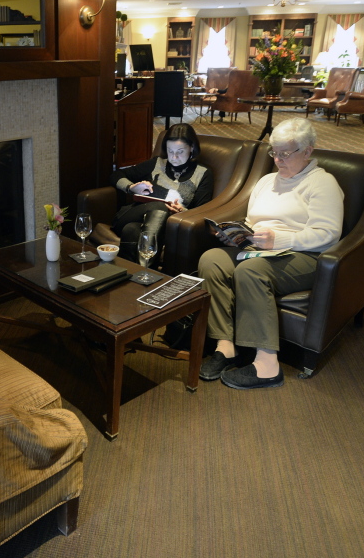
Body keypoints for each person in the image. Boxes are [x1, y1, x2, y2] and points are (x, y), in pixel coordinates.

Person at [198, 118, 343, 390]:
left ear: (308, 151)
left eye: (285, 153)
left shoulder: (323, 183)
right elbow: (256, 220)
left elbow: (328, 234)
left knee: (251, 270)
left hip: (305, 254)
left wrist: (280, 239)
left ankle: (267, 365)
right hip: (261, 249)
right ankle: (226, 345)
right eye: (274, 152)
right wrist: (238, 234)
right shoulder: (267, 181)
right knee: (212, 260)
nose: (277, 159)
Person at [109, 123, 213, 265]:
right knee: (160, 206)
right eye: (170, 151)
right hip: (130, 214)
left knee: (131, 230)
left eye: (180, 151)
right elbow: (117, 174)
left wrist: (183, 211)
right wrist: (132, 187)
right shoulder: (157, 164)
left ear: (192, 148)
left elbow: (203, 211)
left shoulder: (202, 174)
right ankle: (148, 272)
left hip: (167, 229)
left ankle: (132, 275)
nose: (174, 157)